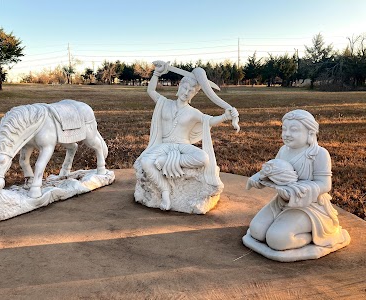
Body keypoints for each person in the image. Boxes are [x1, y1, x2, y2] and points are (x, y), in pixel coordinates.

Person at [136, 61, 239, 210]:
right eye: (185, 88)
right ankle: (165, 191)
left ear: (194, 94)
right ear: (179, 87)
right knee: (146, 161)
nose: (186, 92)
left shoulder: (193, 112)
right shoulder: (164, 103)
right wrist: (156, 73)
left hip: (183, 146)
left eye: (191, 91)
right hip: (164, 145)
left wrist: (226, 116)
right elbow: (151, 91)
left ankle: (166, 161)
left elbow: (209, 121)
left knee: (203, 158)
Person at [247, 109, 349, 251]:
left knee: (277, 240)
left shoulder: (319, 154)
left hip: (309, 206)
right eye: (284, 129)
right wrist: (259, 177)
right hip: (282, 201)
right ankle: (284, 225)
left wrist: (300, 189)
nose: (287, 134)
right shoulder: (284, 150)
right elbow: (273, 169)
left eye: (294, 130)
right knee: (256, 231)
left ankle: (311, 238)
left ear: (310, 133)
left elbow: (325, 184)